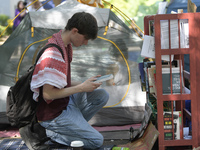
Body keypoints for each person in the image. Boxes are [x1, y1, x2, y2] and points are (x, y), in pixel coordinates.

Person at [20, 12, 109, 150]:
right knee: (97, 140)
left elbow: (62, 83)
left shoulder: (64, 45)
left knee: (102, 95)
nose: (85, 43)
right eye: (85, 39)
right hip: (53, 115)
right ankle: (51, 133)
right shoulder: (53, 54)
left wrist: (84, 83)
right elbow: (48, 94)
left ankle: (73, 127)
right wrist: (81, 88)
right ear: (75, 31)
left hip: (66, 103)